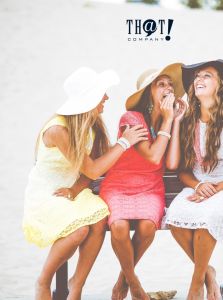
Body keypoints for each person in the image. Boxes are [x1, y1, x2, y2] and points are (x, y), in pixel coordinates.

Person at [23, 67, 148, 300]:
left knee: (99, 220)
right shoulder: (59, 129)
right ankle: (43, 281)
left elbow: (97, 166)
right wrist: (124, 142)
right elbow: (92, 169)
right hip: (47, 194)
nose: (107, 98)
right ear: (90, 100)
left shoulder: (92, 123)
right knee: (79, 229)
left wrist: (75, 189)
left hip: (72, 190)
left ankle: (77, 287)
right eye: (102, 93)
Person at [162, 60, 223, 300]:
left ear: (220, 85)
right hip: (201, 187)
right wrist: (198, 185)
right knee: (175, 218)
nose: (198, 80)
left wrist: (216, 189)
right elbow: (182, 171)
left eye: (207, 76)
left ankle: (196, 286)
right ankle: (208, 273)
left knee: (208, 216)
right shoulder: (188, 121)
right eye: (196, 76)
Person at [99, 63, 187, 300]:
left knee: (148, 226)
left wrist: (175, 121)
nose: (168, 88)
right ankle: (135, 286)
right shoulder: (131, 118)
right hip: (119, 185)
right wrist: (168, 120)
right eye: (161, 84)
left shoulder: (167, 122)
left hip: (150, 187)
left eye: (170, 84)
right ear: (149, 92)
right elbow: (152, 154)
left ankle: (123, 280)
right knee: (119, 226)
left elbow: (171, 163)